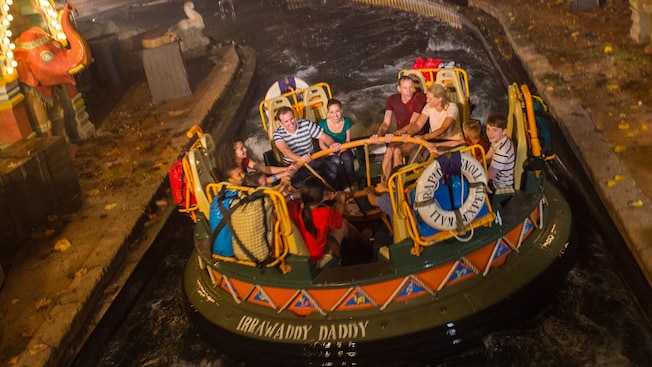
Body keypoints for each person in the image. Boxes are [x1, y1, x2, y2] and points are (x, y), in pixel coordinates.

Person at [287, 177, 370, 266]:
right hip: (317, 258)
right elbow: (338, 220)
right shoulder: (324, 214)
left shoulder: (293, 208)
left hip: (302, 253)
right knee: (344, 224)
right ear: (321, 197)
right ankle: (362, 240)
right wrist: (341, 199)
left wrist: (294, 195)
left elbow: (287, 200)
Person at [370, 75, 426, 182]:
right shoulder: (392, 100)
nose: (409, 91)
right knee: (389, 150)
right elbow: (386, 123)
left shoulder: (419, 99)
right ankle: (384, 184)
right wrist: (379, 134)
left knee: (397, 151)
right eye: (405, 88)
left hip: (414, 138)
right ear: (399, 88)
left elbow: (413, 123)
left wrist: (395, 133)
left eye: (411, 87)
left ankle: (398, 185)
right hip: (400, 137)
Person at [273, 106, 341, 188]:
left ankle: (331, 192)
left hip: (311, 160)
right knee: (299, 185)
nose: (290, 123)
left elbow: (325, 137)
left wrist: (332, 143)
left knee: (333, 165)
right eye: (286, 121)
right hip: (294, 166)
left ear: (295, 116)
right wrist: (300, 159)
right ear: (281, 123)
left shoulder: (306, 124)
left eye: (291, 119)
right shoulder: (278, 134)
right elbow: (285, 150)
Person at [317, 99, 357, 190]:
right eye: (331, 112)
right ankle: (345, 185)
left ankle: (353, 182)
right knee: (335, 160)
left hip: (344, 148)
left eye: (337, 111)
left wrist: (340, 151)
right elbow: (321, 144)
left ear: (341, 110)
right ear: (328, 112)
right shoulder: (322, 124)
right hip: (328, 151)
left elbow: (347, 141)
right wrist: (331, 153)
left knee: (346, 157)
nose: (335, 115)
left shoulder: (347, 122)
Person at [221, 139, 295, 186]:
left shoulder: (245, 160)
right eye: (241, 149)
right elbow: (262, 182)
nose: (245, 149)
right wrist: (283, 174)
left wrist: (285, 169)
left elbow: (266, 169)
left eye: (244, 147)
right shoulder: (233, 172)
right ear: (233, 153)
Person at [485, 113, 515, 192]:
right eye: (488, 129)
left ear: (504, 131)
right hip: (495, 179)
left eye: (495, 130)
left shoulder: (502, 151)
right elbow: (487, 157)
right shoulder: (497, 140)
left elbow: (490, 175)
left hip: (499, 185)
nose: (490, 133)